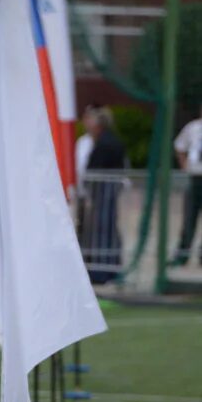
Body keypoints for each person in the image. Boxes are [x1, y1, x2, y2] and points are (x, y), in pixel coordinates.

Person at [78, 106, 127, 284]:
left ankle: (102, 271)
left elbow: (96, 171)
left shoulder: (106, 143)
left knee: (102, 229)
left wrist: (89, 192)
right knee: (104, 229)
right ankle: (105, 268)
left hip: (103, 193)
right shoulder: (102, 141)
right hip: (104, 192)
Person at [171, 102, 202, 267]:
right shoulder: (193, 128)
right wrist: (184, 164)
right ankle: (183, 254)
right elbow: (179, 146)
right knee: (189, 217)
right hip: (195, 176)